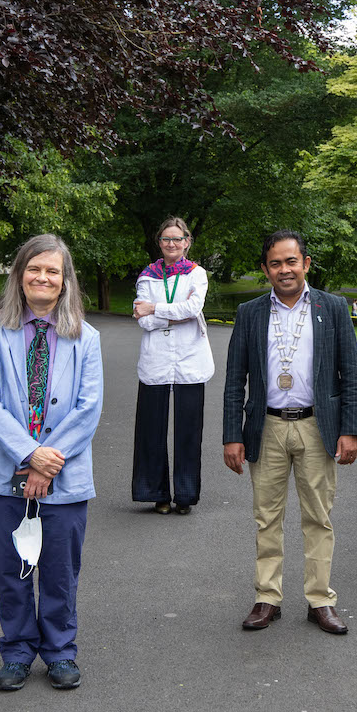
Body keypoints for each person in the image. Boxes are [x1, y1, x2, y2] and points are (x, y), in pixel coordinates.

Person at [0, 234, 103, 691]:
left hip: (65, 477)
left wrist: (46, 464)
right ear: (20, 276)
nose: (42, 277)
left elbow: (89, 408)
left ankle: (60, 651)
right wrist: (28, 455)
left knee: (59, 572)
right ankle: (17, 651)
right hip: (2, 475)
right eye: (34, 269)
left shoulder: (86, 338)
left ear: (65, 281)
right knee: (10, 570)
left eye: (53, 271)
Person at [223, 231, 357, 635]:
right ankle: (267, 597)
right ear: (266, 269)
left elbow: (349, 375)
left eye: (291, 261)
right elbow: (236, 380)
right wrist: (232, 434)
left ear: (305, 263)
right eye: (275, 263)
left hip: (316, 427)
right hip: (266, 428)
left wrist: (350, 430)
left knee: (318, 517)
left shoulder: (332, 307)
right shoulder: (250, 312)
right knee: (266, 518)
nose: (284, 270)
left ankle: (320, 600)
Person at [131, 216, 214, 515]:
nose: (172, 244)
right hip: (156, 359)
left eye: (177, 239)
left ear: (187, 242)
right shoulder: (147, 276)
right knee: (151, 429)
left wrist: (155, 308)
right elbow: (142, 318)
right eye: (166, 239)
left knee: (189, 430)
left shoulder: (197, 274)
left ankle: (186, 496)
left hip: (190, 359)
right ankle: (157, 494)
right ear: (159, 242)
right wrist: (168, 313)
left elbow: (194, 308)